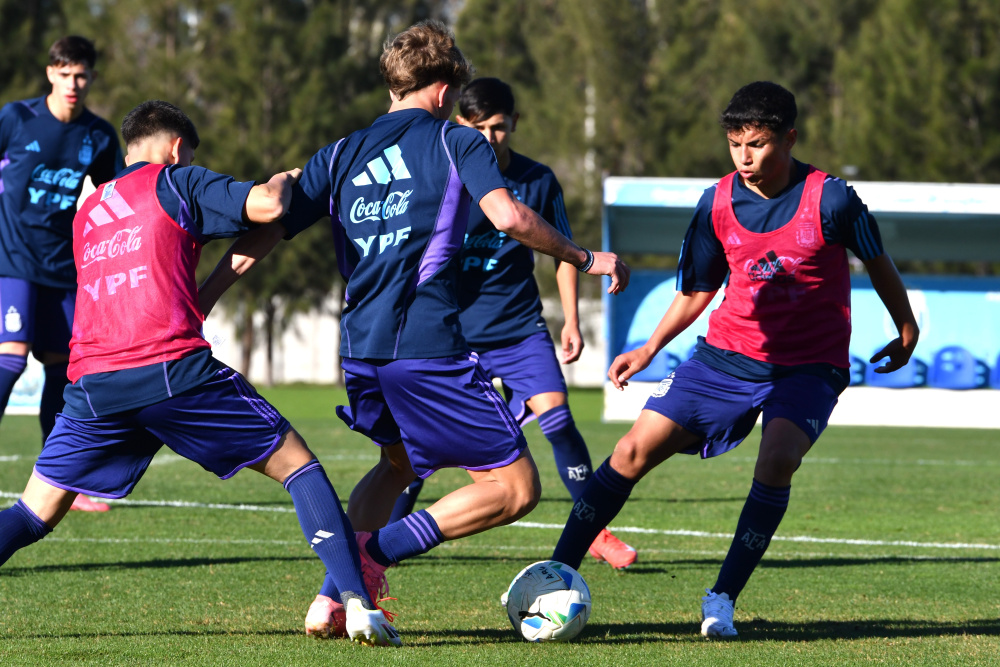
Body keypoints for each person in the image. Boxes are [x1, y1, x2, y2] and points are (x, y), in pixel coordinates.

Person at [201, 20, 629, 638]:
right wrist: (585, 257)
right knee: (514, 487)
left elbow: (268, 229)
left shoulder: (341, 152)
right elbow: (507, 215)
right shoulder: (458, 143)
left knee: (397, 465)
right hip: (424, 344)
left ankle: (334, 598)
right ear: (446, 85)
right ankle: (370, 560)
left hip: (359, 349)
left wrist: (205, 296)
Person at [0, 100, 399, 647]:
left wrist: (206, 292)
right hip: (169, 372)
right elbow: (265, 207)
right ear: (177, 148)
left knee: (32, 513)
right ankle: (355, 603)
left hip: (92, 385)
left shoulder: (90, 211)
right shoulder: (176, 181)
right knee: (299, 466)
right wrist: (284, 179)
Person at [546, 81, 919, 638]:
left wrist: (906, 328)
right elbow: (698, 288)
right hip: (724, 358)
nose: (745, 157)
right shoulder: (716, 202)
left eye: (759, 144)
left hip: (808, 366)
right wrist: (648, 348)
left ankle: (721, 598)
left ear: (789, 138)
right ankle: (555, 576)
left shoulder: (833, 197)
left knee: (777, 460)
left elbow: (878, 260)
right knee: (630, 450)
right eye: (735, 144)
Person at [385, 77, 636, 569]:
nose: (489, 139)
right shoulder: (443, 178)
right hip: (451, 335)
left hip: (519, 328)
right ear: (459, 125)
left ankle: (595, 530)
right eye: (478, 128)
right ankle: (383, 546)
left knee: (560, 422)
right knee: (415, 449)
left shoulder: (538, 180)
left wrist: (570, 320)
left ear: (514, 123)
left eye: (499, 128)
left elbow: (565, 251)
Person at [0, 37, 124, 513]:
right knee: (10, 360)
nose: (73, 84)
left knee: (63, 369)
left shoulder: (97, 134)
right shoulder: (16, 118)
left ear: (90, 78)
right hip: (11, 260)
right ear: (50, 73)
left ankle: (61, 481)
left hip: (62, 269)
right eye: (65, 73)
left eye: (82, 75)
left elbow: (117, 195)